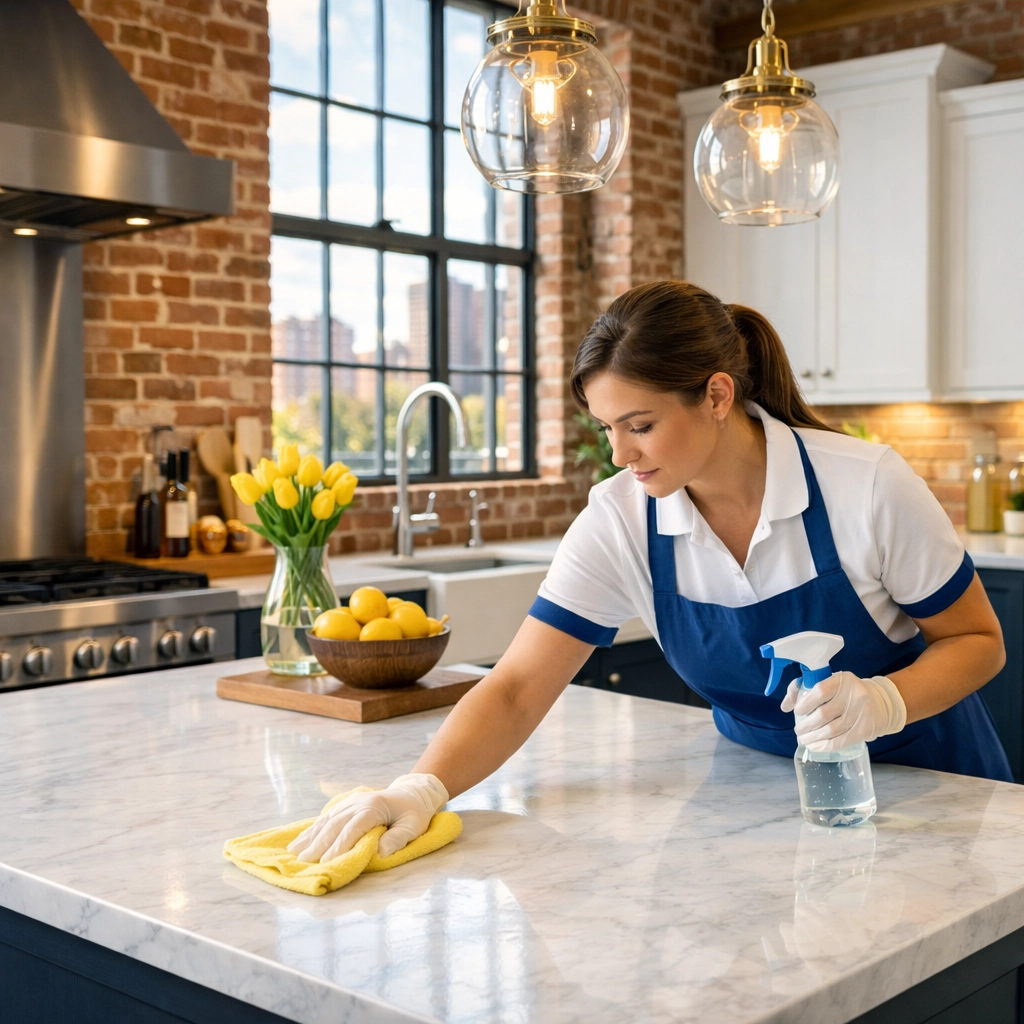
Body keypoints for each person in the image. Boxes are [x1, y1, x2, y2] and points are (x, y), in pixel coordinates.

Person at [290, 280, 1012, 864]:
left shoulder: (865, 485)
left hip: (934, 789)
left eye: (639, 426)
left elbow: (979, 641)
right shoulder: (622, 520)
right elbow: (515, 687)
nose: (619, 455)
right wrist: (419, 788)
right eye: (607, 429)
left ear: (718, 396)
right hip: (758, 798)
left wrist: (884, 701)